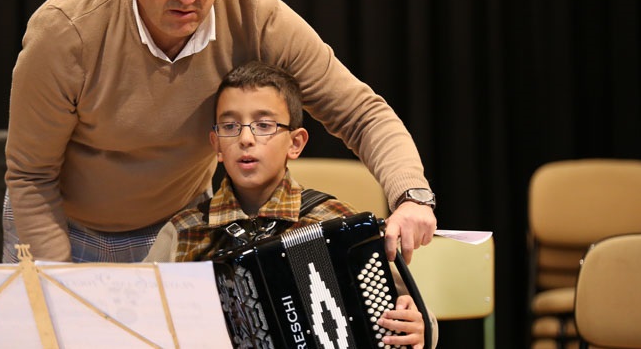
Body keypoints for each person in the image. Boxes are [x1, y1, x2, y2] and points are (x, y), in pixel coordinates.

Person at [4, 0, 436, 264]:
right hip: (63, 224)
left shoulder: (255, 15)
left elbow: (361, 113)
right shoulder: (66, 32)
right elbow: (31, 176)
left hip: (180, 228)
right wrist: (53, 286)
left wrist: (411, 195)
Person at [143, 61, 436, 348]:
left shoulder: (335, 221)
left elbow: (416, 315)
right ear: (216, 144)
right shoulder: (184, 232)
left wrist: (419, 328)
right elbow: (139, 324)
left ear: (295, 143)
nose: (246, 138)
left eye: (264, 125)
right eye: (230, 126)